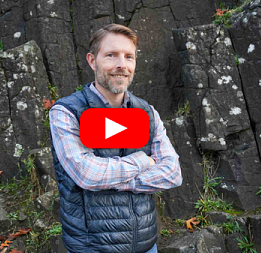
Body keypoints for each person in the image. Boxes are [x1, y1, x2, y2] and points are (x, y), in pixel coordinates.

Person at [49, 23, 182, 253]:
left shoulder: (147, 112)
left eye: (129, 57)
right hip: (92, 248)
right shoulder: (66, 112)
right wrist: (143, 162)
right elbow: (88, 175)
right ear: (92, 61)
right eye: (111, 55)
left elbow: (172, 173)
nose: (122, 65)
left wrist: (115, 183)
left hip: (146, 245)